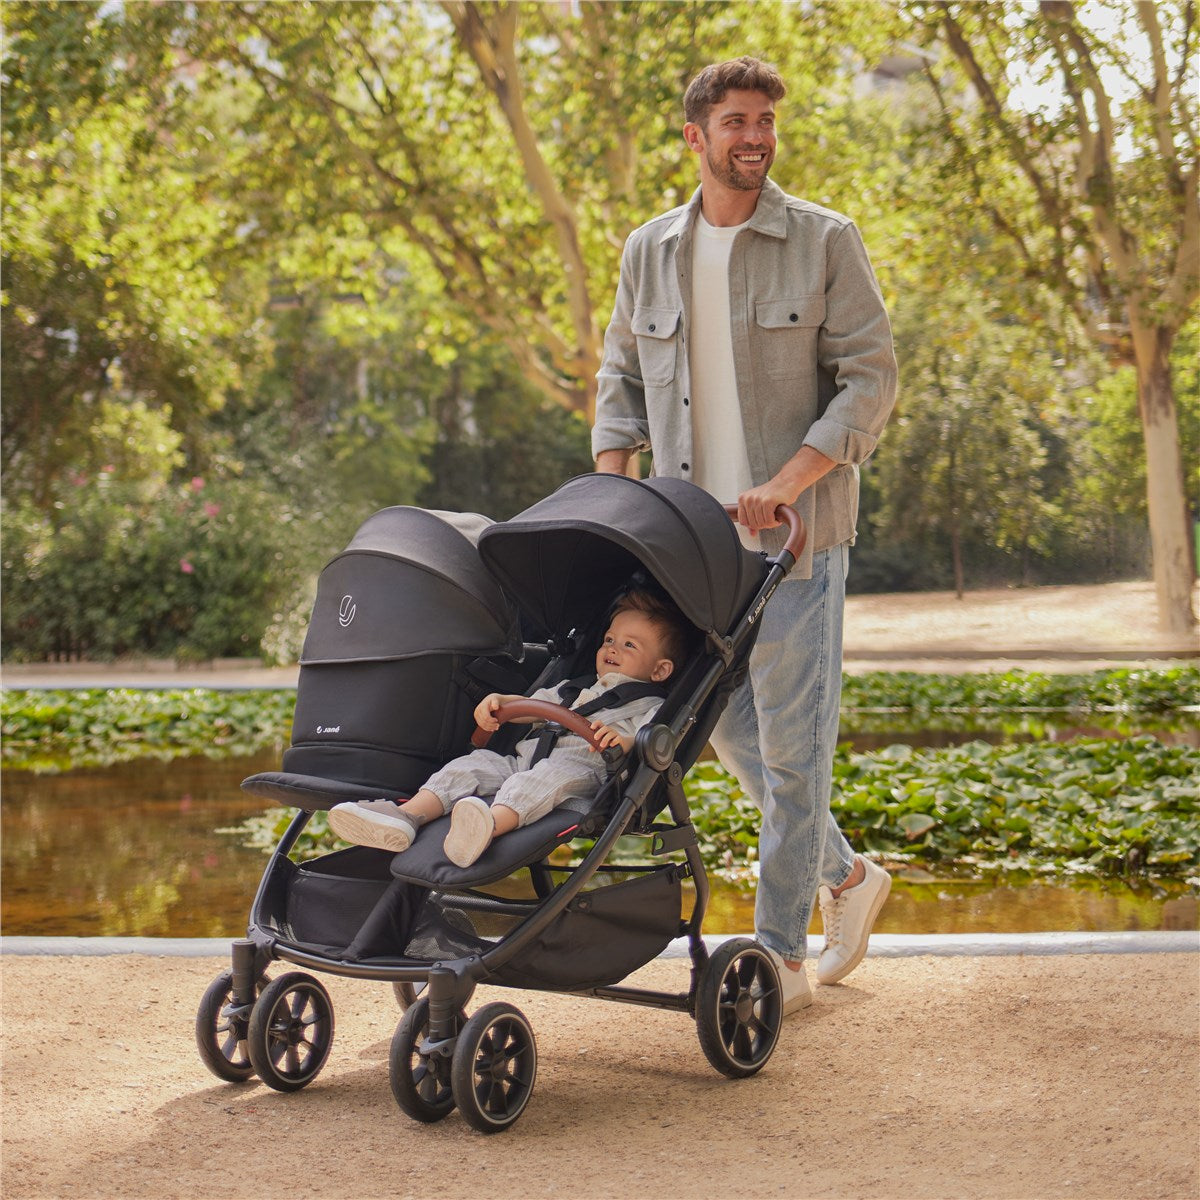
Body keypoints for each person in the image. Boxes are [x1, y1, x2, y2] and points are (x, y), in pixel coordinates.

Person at [592, 56, 897, 1014]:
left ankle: (779, 960)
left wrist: (786, 484)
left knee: (797, 754)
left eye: (765, 120)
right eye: (736, 121)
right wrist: (614, 497)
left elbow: (870, 379)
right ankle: (847, 875)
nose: (755, 136)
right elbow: (619, 382)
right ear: (696, 136)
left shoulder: (824, 240)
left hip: (797, 544)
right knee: (721, 729)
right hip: (692, 550)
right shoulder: (649, 250)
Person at [328, 588, 689, 868]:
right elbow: (531, 707)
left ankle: (486, 825)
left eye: (629, 645)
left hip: (580, 777)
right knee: (471, 766)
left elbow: (658, 740)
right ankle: (408, 815)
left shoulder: (650, 705)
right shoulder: (573, 689)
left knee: (540, 780)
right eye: (609, 639)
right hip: (524, 762)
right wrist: (501, 703)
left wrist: (626, 741)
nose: (612, 648)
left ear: (660, 670)